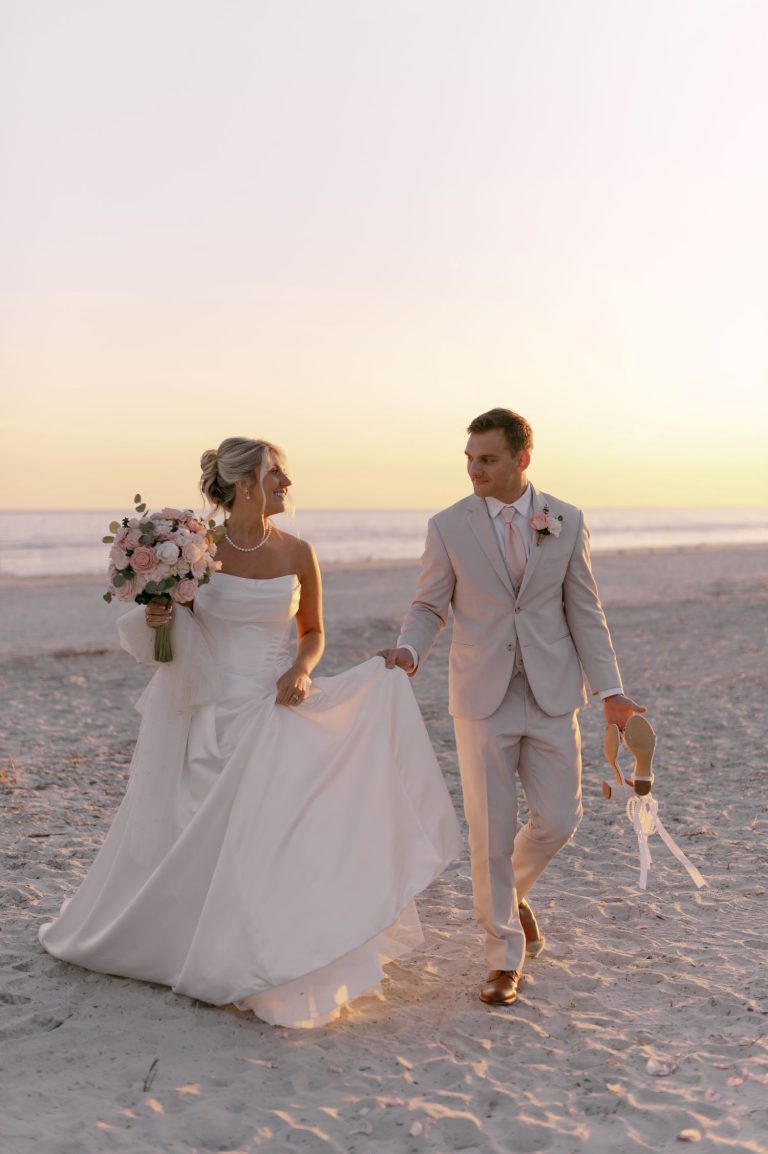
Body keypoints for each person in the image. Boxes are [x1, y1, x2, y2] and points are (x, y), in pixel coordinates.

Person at [39, 437, 461, 1028]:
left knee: (270, 831)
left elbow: (313, 631)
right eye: (277, 474)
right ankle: (179, 937)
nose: (287, 484)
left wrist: (302, 669)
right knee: (192, 828)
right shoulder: (195, 551)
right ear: (245, 484)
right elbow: (171, 637)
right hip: (205, 710)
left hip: (273, 704)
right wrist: (160, 616)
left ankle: (262, 944)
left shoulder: (299, 552)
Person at [378, 409, 643, 1007]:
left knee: (558, 821)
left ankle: (510, 896)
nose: (475, 469)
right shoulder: (448, 526)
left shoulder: (567, 521)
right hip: (481, 696)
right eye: (469, 458)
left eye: (488, 459)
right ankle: (502, 959)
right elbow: (428, 605)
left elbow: (585, 610)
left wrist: (611, 692)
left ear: (522, 459)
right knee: (490, 833)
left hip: (552, 692)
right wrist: (410, 651)